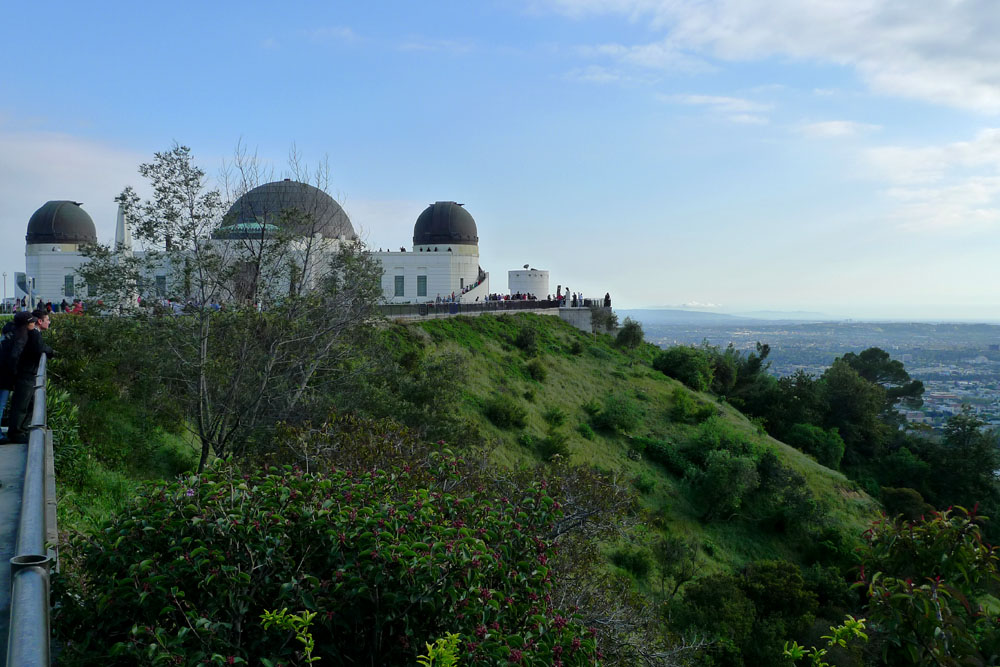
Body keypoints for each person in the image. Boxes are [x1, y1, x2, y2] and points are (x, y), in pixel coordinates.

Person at [5, 311, 53, 444]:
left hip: (24, 374)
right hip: (25, 374)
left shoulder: (22, 334)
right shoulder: (28, 335)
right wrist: (50, 351)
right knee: (21, 404)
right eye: (31, 322)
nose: (33, 323)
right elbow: (38, 348)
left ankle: (20, 431)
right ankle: (17, 433)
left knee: (27, 404)